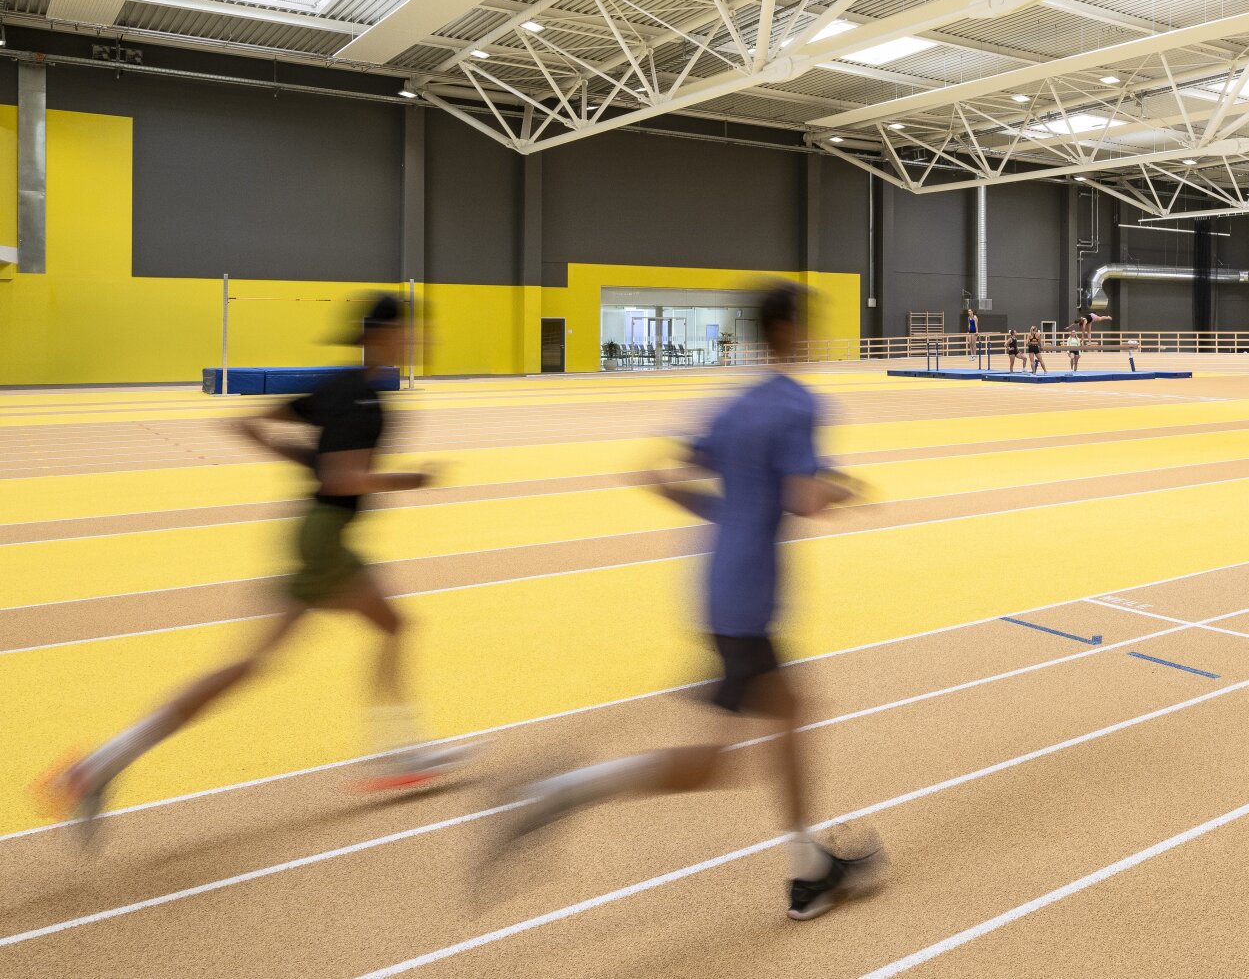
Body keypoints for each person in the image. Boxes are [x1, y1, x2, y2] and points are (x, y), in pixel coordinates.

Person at [492, 282, 882, 921]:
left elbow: (654, 474)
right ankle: (561, 789)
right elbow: (804, 499)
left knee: (789, 712)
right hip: (750, 597)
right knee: (714, 764)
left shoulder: (733, 407)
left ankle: (809, 866)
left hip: (717, 585)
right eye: (805, 325)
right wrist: (848, 488)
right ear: (790, 330)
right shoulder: (795, 406)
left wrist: (723, 510)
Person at [44, 295, 468, 838]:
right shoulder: (364, 399)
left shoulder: (334, 385)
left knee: (300, 650)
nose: (415, 341)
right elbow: (344, 481)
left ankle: (101, 764)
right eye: (409, 332)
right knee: (349, 637)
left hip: (317, 532)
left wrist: (309, 460)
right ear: (382, 334)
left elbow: (246, 425)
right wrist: (408, 480)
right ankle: (401, 753)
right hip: (324, 540)